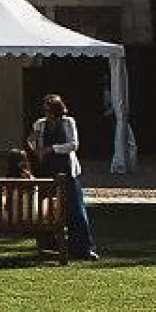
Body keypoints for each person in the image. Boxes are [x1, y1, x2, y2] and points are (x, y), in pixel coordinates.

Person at [30, 93, 99, 260]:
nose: (47, 114)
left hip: (67, 171)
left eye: (50, 110)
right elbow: (33, 142)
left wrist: (52, 149)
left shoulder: (68, 122)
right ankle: (50, 244)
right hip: (47, 171)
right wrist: (34, 145)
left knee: (76, 210)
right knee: (47, 210)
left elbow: (73, 145)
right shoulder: (40, 124)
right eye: (45, 110)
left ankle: (83, 247)